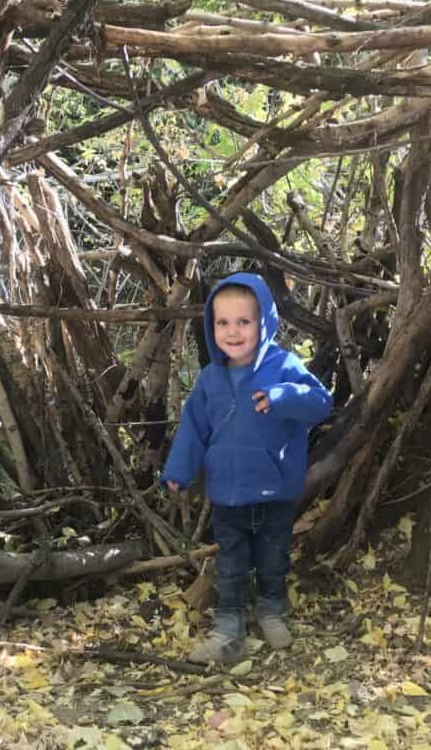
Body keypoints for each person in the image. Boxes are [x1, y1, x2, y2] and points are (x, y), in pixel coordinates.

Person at [161, 272, 333, 664]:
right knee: (231, 564)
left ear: (264, 323)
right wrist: (179, 471)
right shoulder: (210, 379)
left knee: (274, 557)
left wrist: (283, 396)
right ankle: (229, 628)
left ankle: (271, 609)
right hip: (227, 494)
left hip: (275, 489)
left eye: (244, 321)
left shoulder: (284, 366)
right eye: (223, 322)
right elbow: (194, 428)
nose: (233, 332)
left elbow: (320, 402)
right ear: (211, 326)